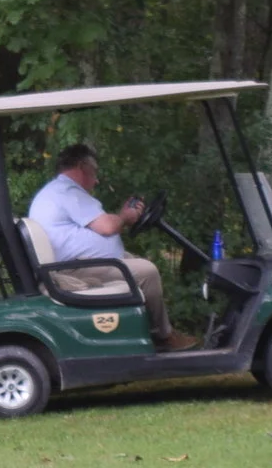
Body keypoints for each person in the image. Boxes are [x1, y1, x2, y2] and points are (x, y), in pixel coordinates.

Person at [27, 143, 196, 351]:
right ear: (82, 166)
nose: (96, 180)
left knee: (136, 262)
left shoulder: (56, 191)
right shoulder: (68, 192)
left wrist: (123, 218)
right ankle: (164, 336)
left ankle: (145, 331)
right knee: (148, 271)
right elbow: (107, 227)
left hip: (76, 263)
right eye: (94, 171)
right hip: (74, 269)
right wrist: (125, 216)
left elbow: (99, 228)